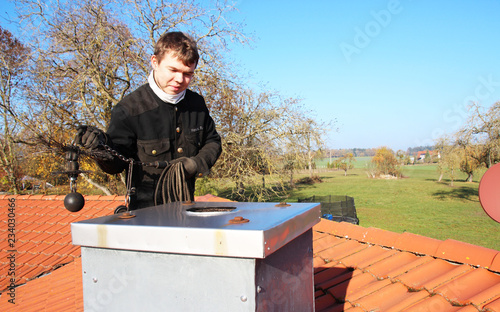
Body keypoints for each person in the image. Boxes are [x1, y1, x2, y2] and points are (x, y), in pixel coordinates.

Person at [75, 31, 222, 210]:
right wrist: (99, 148)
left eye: (188, 74)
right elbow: (116, 164)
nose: (180, 80)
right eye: (173, 70)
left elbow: (212, 141)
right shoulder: (129, 109)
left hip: (186, 209)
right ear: (154, 62)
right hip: (144, 216)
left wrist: (195, 164)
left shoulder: (196, 104)